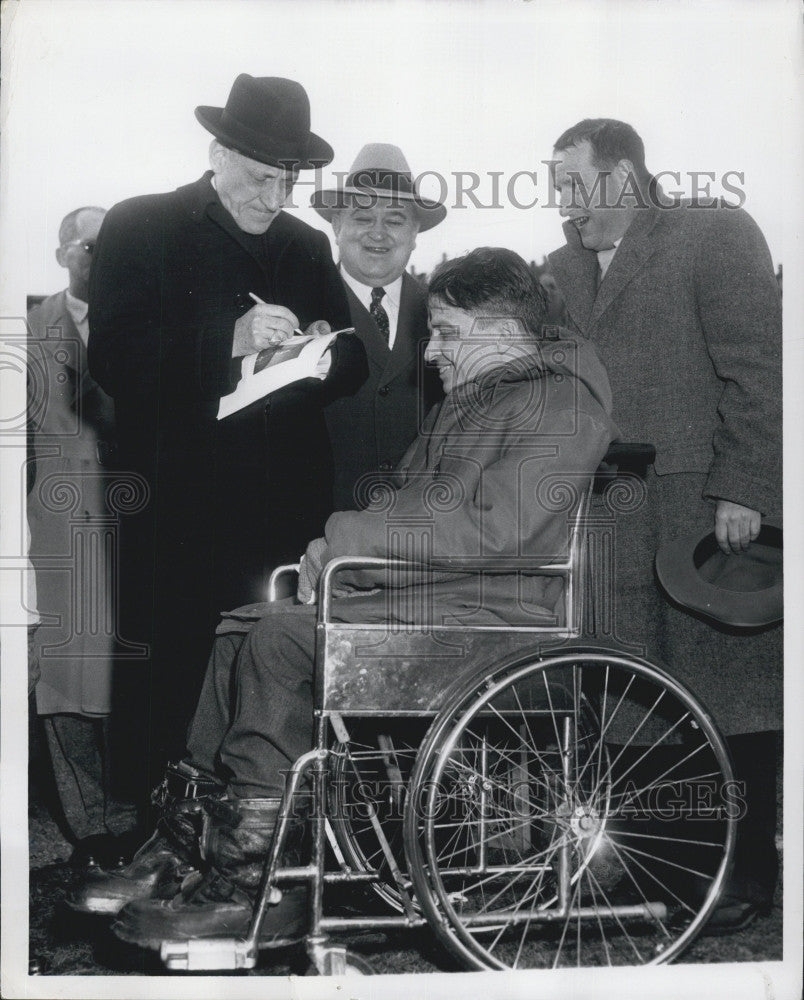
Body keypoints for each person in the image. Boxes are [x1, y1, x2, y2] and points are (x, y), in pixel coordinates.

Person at [70, 247, 618, 952]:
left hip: (502, 622)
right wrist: (348, 558)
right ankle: (191, 851)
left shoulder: (562, 403)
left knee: (275, 640)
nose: (430, 353)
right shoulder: (488, 399)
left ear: (504, 332)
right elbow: (436, 524)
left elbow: (496, 532)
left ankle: (254, 883)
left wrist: (346, 536)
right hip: (455, 602)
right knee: (244, 625)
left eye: (447, 332)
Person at [86, 76, 367, 794]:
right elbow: (113, 358)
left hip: (284, 511)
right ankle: (150, 827)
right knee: (167, 668)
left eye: (289, 183)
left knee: (268, 679)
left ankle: (258, 836)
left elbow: (354, 359)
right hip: (177, 506)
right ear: (218, 152)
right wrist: (230, 340)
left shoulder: (304, 246)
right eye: (262, 179)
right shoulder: (141, 224)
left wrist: (317, 347)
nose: (274, 200)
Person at [547, 118, 782, 931]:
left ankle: (744, 874)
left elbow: (759, 367)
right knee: (630, 696)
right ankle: (656, 868)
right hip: (606, 514)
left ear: (624, 176)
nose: (562, 201)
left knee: (732, 693)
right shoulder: (558, 270)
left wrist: (745, 486)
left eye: (573, 181)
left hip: (705, 511)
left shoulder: (714, 233)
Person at [27, 206, 138, 866]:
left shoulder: (146, 329)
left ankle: (136, 826)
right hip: (63, 539)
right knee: (65, 684)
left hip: (133, 529)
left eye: (112, 247)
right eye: (89, 246)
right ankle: (89, 831)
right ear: (64, 250)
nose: (99, 259)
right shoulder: (27, 334)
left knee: (134, 679)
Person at [312, 143, 445, 510]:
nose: (378, 233)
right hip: (317, 538)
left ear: (415, 232)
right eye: (362, 218)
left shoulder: (448, 317)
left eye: (395, 220)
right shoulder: (298, 309)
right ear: (337, 225)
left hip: (421, 539)